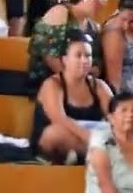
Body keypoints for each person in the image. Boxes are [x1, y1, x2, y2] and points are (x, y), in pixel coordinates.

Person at [29, 29, 112, 165]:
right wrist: (89, 137)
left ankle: (90, 157)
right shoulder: (52, 84)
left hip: (92, 142)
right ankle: (100, 157)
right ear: (65, 59)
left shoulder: (99, 86)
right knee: (55, 132)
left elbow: (113, 114)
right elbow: (59, 118)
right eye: (78, 55)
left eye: (88, 56)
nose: (84, 60)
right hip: (55, 141)